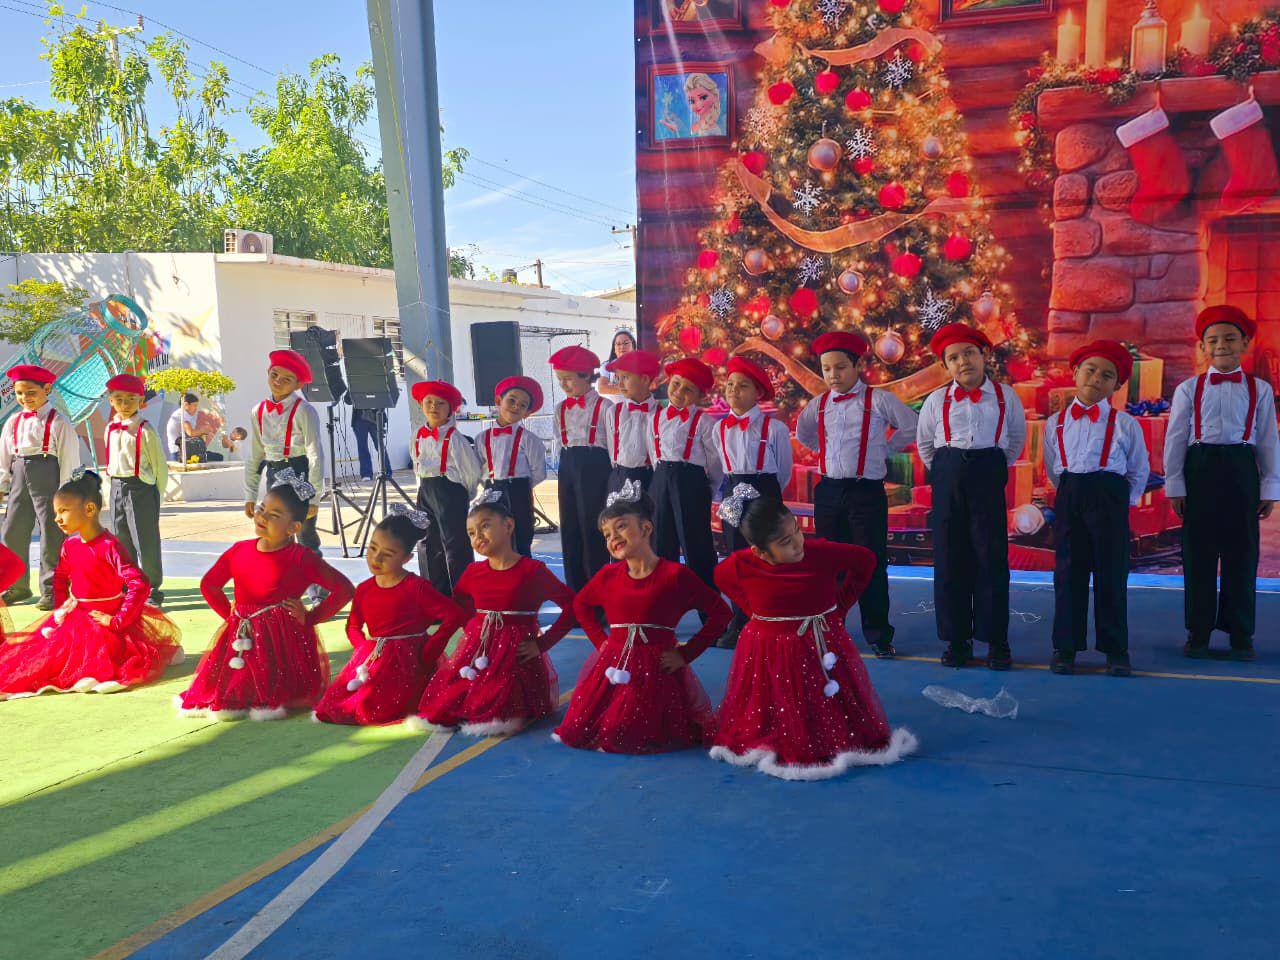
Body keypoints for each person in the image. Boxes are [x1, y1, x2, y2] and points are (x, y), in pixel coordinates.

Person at [710, 490, 918, 780]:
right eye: (785, 542)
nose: (798, 543)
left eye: (796, 530)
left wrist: (840, 606)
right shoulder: (741, 564)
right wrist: (756, 612)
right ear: (760, 552)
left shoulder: (820, 552)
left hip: (820, 642)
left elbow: (866, 560)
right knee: (773, 700)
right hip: (769, 647)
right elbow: (721, 578)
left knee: (825, 700)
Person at [554, 481, 730, 754]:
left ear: (646, 528)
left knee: (635, 732)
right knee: (589, 730)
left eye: (621, 526)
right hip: (613, 667)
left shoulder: (675, 575)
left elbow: (721, 613)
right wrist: (601, 642)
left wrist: (686, 654)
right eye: (606, 534)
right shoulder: (607, 576)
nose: (613, 537)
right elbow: (581, 605)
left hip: (658, 671)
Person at [178, 470, 355, 719]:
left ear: (293, 527)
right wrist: (231, 618)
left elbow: (344, 589)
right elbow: (209, 585)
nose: (262, 516)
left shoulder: (301, 558)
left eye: (274, 515)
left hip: (282, 645)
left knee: (273, 692)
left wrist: (311, 617)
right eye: (262, 509)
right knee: (230, 690)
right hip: (241, 636)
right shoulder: (239, 551)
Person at [0, 469, 182, 699]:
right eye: (56, 512)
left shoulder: (109, 546)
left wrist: (117, 620)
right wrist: (61, 610)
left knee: (101, 664)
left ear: (89, 509)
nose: (57, 518)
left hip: (105, 621)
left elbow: (139, 583)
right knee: (41, 661)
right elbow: (60, 577)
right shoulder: (70, 545)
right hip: (77, 618)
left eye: (63, 511)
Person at [1164, 305, 1279, 662]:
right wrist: (1175, 484)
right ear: (1202, 347)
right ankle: (1198, 633)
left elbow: (1268, 441)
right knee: (1198, 554)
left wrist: (1270, 487)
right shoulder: (1188, 389)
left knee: (1241, 554)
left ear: (1245, 343)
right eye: (1212, 340)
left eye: (1230, 338)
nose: (1221, 345)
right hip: (1200, 468)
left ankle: (1240, 634)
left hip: (1241, 469)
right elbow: (1175, 438)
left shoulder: (1260, 390)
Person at [794, 332, 918, 658]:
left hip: (866, 492)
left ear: (857, 366)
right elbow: (804, 433)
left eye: (840, 367)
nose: (833, 375)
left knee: (870, 562)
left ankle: (878, 634)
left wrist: (885, 449)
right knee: (828, 564)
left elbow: (910, 424)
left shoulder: (879, 400)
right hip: (829, 491)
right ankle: (830, 629)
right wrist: (823, 451)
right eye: (826, 369)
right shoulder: (819, 404)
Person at [418, 488, 576, 736]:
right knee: (450, 700)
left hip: (515, 657)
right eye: (471, 533)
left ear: (508, 525)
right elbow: (459, 604)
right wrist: (474, 629)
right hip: (477, 651)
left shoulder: (532, 571)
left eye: (485, 526)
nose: (478, 536)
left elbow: (572, 607)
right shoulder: (473, 572)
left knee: (497, 703)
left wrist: (542, 644)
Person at [916, 322, 1028, 670]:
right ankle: (957, 640)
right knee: (950, 558)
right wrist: (948, 470)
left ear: (984, 355)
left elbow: (1014, 440)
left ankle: (996, 640)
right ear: (946, 366)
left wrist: (989, 466)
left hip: (987, 475)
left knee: (990, 558)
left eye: (969, 353)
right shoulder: (936, 401)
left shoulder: (1006, 397)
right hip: (948, 475)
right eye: (953, 358)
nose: (962, 361)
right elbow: (925, 444)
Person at [1043, 340, 1150, 677]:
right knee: (1068, 574)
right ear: (1075, 373)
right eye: (1090, 370)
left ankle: (1116, 650)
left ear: (1116, 385)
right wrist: (1069, 491)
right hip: (1070, 494)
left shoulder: (1126, 424)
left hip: (1109, 498)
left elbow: (1139, 468)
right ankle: (1065, 647)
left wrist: (1122, 503)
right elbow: (1053, 466)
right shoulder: (1055, 422)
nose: (1096, 379)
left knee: (1111, 574)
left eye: (1107, 375)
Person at [314, 505, 467, 726]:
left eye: (388, 554)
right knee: (337, 706)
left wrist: (432, 648)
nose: (376, 558)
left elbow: (454, 615)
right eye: (372, 548)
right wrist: (363, 650)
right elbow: (353, 626)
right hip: (374, 659)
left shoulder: (416, 587)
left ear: (406, 558)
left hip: (410, 661)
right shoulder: (364, 589)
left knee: (379, 708)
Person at [715, 356, 793, 647]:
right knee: (737, 557)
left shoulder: (775, 429)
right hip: (733, 490)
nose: (734, 390)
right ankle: (740, 620)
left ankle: (771, 617)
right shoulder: (719, 428)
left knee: (768, 556)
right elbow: (721, 466)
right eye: (730, 384)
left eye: (743, 386)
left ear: (758, 392)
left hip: (764, 489)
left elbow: (783, 471)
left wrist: (767, 495)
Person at [0, 364, 81, 610]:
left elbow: (69, 458)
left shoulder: (59, 422)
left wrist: (67, 491)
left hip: (49, 477)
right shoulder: (13, 422)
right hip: (19, 476)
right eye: (19, 393)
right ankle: (17, 586)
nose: (25, 397)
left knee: (51, 533)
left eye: (31, 392)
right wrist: (2, 485)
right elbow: (4, 458)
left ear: (47, 389)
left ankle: (52, 590)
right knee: (12, 531)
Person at [648, 357, 723, 589]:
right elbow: (653, 451)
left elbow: (715, 461)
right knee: (660, 540)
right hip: (661, 479)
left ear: (699, 396)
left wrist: (707, 489)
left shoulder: (705, 422)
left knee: (696, 542)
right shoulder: (655, 417)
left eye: (688, 389)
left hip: (691, 483)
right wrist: (661, 478)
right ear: (669, 381)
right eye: (676, 384)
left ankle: (706, 602)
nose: (679, 392)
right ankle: (663, 597)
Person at [244, 350, 326, 555]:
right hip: (274, 474)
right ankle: (282, 574)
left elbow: (315, 454)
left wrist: (314, 499)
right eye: (274, 375)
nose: (278, 381)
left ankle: (313, 574)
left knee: (305, 532)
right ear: (268, 372)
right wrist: (250, 494)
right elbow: (255, 455)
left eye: (287, 379)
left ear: (298, 385)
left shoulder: (304, 411)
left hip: (300, 474)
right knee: (275, 533)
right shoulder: (258, 411)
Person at [409, 380, 482, 596]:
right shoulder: (417, 435)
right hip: (426, 490)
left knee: (455, 544)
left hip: (449, 491)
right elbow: (416, 463)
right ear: (421, 405)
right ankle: (436, 594)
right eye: (429, 402)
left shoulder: (455, 439)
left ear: (451, 409)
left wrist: (465, 495)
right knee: (427, 542)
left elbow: (471, 471)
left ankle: (462, 596)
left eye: (440, 403)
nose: (434, 406)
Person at [550, 346, 613, 592]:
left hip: (595, 467)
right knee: (569, 528)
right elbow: (559, 442)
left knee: (593, 528)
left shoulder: (605, 407)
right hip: (568, 466)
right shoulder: (560, 409)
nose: (563, 385)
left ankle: (597, 592)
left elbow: (612, 446)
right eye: (560, 379)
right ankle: (575, 592)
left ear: (586, 375)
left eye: (568, 379)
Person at [102, 374, 168, 607]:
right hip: (117, 486)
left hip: (140, 488)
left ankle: (152, 588)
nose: (125, 404)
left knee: (145, 539)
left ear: (141, 400)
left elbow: (159, 466)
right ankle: (129, 584)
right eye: (119, 399)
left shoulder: (145, 430)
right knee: (121, 539)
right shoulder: (110, 428)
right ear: (111, 401)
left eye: (131, 398)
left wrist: (157, 494)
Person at [476, 376, 548, 557]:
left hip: (518, 491)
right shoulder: (481, 438)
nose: (516, 406)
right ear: (498, 401)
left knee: (521, 536)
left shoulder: (529, 439)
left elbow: (539, 471)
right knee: (492, 537)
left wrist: (519, 486)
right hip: (491, 489)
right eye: (512, 400)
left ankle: (523, 571)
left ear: (527, 413)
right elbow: (479, 468)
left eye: (523, 405)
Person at [605, 349, 661, 496]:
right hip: (620, 476)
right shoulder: (613, 412)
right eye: (618, 378)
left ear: (645, 379)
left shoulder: (661, 414)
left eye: (625, 377)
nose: (620, 383)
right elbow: (612, 448)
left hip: (651, 477)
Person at [597, 329, 639, 399]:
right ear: (614, 349)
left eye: (626, 343)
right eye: (618, 344)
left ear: (633, 346)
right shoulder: (606, 366)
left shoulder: (640, 364)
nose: (622, 347)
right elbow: (602, 388)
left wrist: (613, 387)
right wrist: (631, 388)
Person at [351, 406, 389, 480]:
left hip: (376, 416)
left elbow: (384, 400)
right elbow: (347, 401)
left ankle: (386, 472)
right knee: (362, 447)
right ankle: (366, 474)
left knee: (379, 446)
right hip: (359, 418)